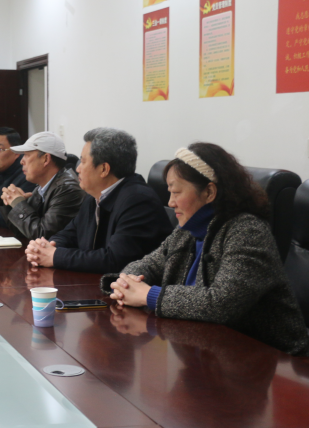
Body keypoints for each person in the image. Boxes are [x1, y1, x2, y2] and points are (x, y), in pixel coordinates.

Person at [104, 143, 309, 356]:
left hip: (274, 359)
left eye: (176, 192)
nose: (170, 202)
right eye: (169, 192)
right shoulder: (187, 231)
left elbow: (222, 303)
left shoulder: (247, 231)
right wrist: (126, 282)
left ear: (209, 192)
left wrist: (149, 295)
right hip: (211, 351)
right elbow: (149, 264)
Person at [26, 127, 171, 273]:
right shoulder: (94, 196)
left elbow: (115, 260)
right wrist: (45, 248)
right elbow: (70, 233)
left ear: (104, 169)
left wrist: (55, 256)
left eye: (83, 162)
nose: (78, 169)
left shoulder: (138, 201)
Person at [0, 132, 85, 240]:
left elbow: (42, 235)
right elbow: (22, 232)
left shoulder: (68, 189)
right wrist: (9, 201)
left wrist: (18, 204)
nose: (21, 161)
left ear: (45, 159)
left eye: (27, 155)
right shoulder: (42, 188)